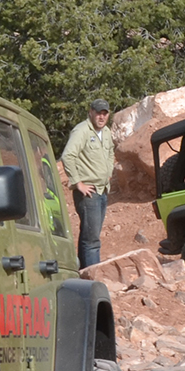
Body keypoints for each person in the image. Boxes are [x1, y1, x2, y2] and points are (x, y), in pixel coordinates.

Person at [60, 100, 114, 269]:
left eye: (105, 113)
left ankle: (83, 273)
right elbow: (68, 156)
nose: (101, 116)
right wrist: (78, 183)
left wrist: (109, 172)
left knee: (89, 235)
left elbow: (111, 152)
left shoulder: (106, 132)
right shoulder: (81, 131)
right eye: (98, 113)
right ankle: (93, 279)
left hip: (102, 190)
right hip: (88, 193)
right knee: (92, 241)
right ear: (90, 112)